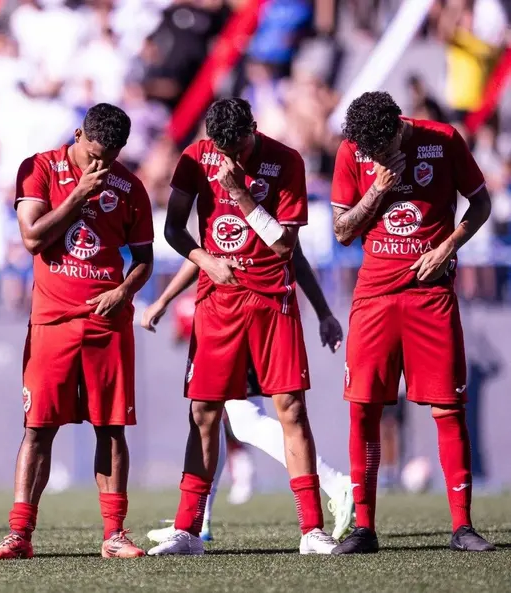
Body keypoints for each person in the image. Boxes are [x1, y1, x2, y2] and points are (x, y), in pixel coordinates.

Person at [149, 98, 339, 557]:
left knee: (290, 409)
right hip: (219, 302)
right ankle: (188, 530)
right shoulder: (196, 157)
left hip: (274, 301)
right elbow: (174, 230)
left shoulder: (286, 161)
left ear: (254, 129)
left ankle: (312, 528)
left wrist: (241, 195)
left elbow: (284, 247)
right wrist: (205, 260)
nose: (230, 158)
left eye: (238, 146)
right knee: (204, 413)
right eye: (223, 149)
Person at [0, 103, 154, 561]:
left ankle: (115, 534)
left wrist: (123, 292)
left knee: (111, 426)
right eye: (94, 153)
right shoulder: (39, 168)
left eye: (111, 156)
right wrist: (78, 195)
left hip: (107, 320)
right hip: (52, 319)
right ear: (78, 134)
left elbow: (143, 260)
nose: (101, 165)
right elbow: (34, 238)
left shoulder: (130, 186)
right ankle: (19, 534)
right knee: (38, 427)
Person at [330, 91, 495, 554]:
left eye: (382, 151)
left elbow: (480, 205)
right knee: (363, 408)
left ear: (399, 129)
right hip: (375, 296)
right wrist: (378, 188)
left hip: (430, 296)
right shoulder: (352, 151)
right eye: (369, 153)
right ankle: (365, 529)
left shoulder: (442, 140)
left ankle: (462, 526)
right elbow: (343, 232)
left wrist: (447, 248)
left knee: (447, 408)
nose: (374, 157)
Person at [142, 244, 354, 543]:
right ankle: (199, 518)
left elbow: (289, 249)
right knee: (216, 420)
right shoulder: (216, 212)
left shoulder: (255, 208)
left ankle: (334, 483)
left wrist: (323, 312)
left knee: (242, 419)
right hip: (230, 310)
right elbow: (199, 252)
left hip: (251, 311)